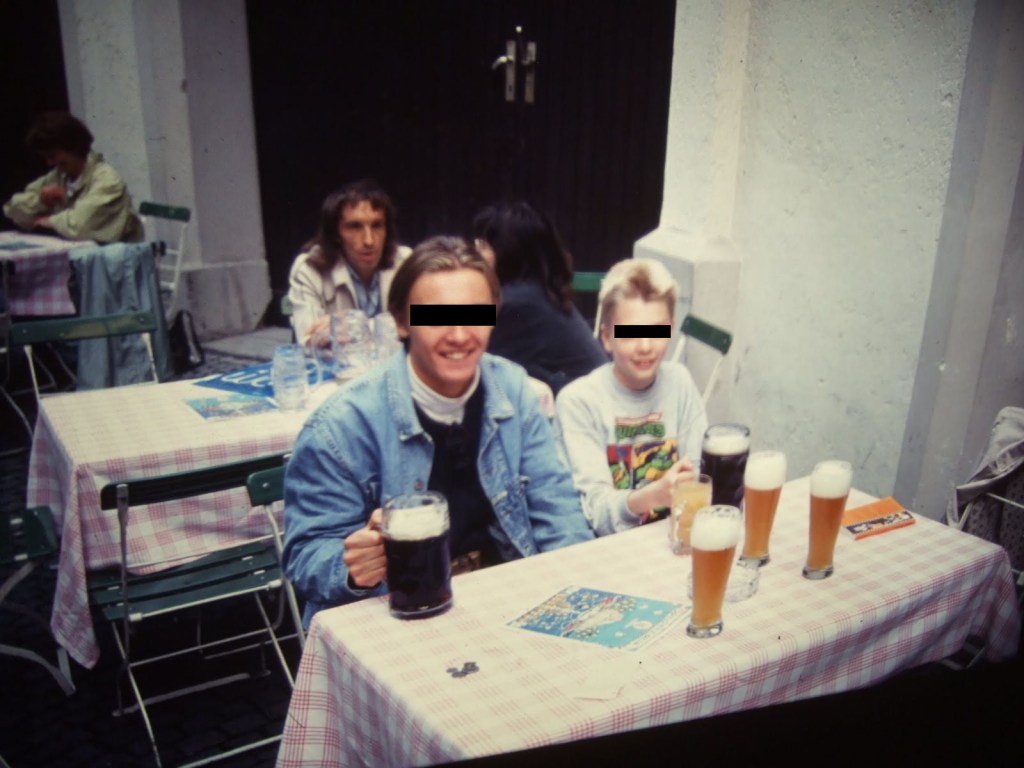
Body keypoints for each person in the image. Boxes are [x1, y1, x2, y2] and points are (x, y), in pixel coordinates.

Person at [282, 235, 595, 624]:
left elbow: (558, 511)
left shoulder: (513, 389)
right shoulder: (343, 423)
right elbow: (305, 555)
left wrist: (580, 599)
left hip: (502, 600)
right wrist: (351, 567)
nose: (460, 335)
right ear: (402, 322)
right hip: (392, 615)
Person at [556, 258, 708, 536]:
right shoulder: (578, 401)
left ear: (671, 329)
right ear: (606, 337)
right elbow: (596, 513)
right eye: (630, 334)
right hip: (612, 546)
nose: (645, 346)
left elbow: (698, 474)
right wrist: (652, 496)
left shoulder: (680, 382)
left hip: (673, 537)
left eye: (656, 331)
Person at [472, 201, 607, 395]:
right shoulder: (536, 292)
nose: (475, 255)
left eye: (483, 246)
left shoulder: (518, 302)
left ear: (507, 252)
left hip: (580, 405)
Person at [287, 179, 408, 346]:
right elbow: (309, 340)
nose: (369, 240)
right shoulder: (309, 269)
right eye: (355, 227)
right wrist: (399, 325)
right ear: (336, 234)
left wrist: (355, 327)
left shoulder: (405, 261)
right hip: (339, 363)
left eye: (377, 225)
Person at [3, 111, 143, 243]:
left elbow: (81, 226)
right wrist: (40, 201)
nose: (49, 163)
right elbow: (12, 210)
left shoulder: (107, 180)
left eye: (52, 155)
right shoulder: (58, 177)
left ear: (73, 147)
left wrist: (50, 221)